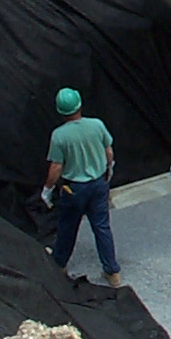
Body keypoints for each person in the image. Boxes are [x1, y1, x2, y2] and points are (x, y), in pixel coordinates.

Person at [41, 88, 121, 287]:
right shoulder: (96, 125)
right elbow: (108, 151)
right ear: (79, 105)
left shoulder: (59, 136)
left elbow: (57, 167)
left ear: (60, 110)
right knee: (102, 227)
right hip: (98, 185)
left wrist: (47, 189)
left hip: (74, 189)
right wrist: (108, 169)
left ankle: (59, 263)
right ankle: (112, 272)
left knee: (68, 226)